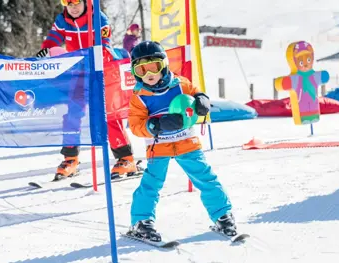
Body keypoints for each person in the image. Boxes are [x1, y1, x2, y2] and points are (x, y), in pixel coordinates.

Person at [126, 41, 237, 242]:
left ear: (164, 65)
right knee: (151, 184)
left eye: (154, 66)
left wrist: (202, 100)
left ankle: (222, 216)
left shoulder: (179, 84)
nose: (148, 73)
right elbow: (135, 125)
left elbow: (195, 92)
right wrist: (156, 125)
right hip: (158, 147)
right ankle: (142, 222)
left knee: (205, 178)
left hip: (187, 143)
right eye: (141, 69)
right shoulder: (139, 97)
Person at [36, 0, 141, 179]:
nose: (73, 6)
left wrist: (97, 54)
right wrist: (47, 49)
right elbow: (53, 38)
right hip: (78, 74)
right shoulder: (62, 20)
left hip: (101, 72)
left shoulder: (98, 18)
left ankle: (126, 158)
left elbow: (105, 44)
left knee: (109, 114)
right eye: (67, 2)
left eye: (76, 2)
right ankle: (71, 159)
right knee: (72, 115)